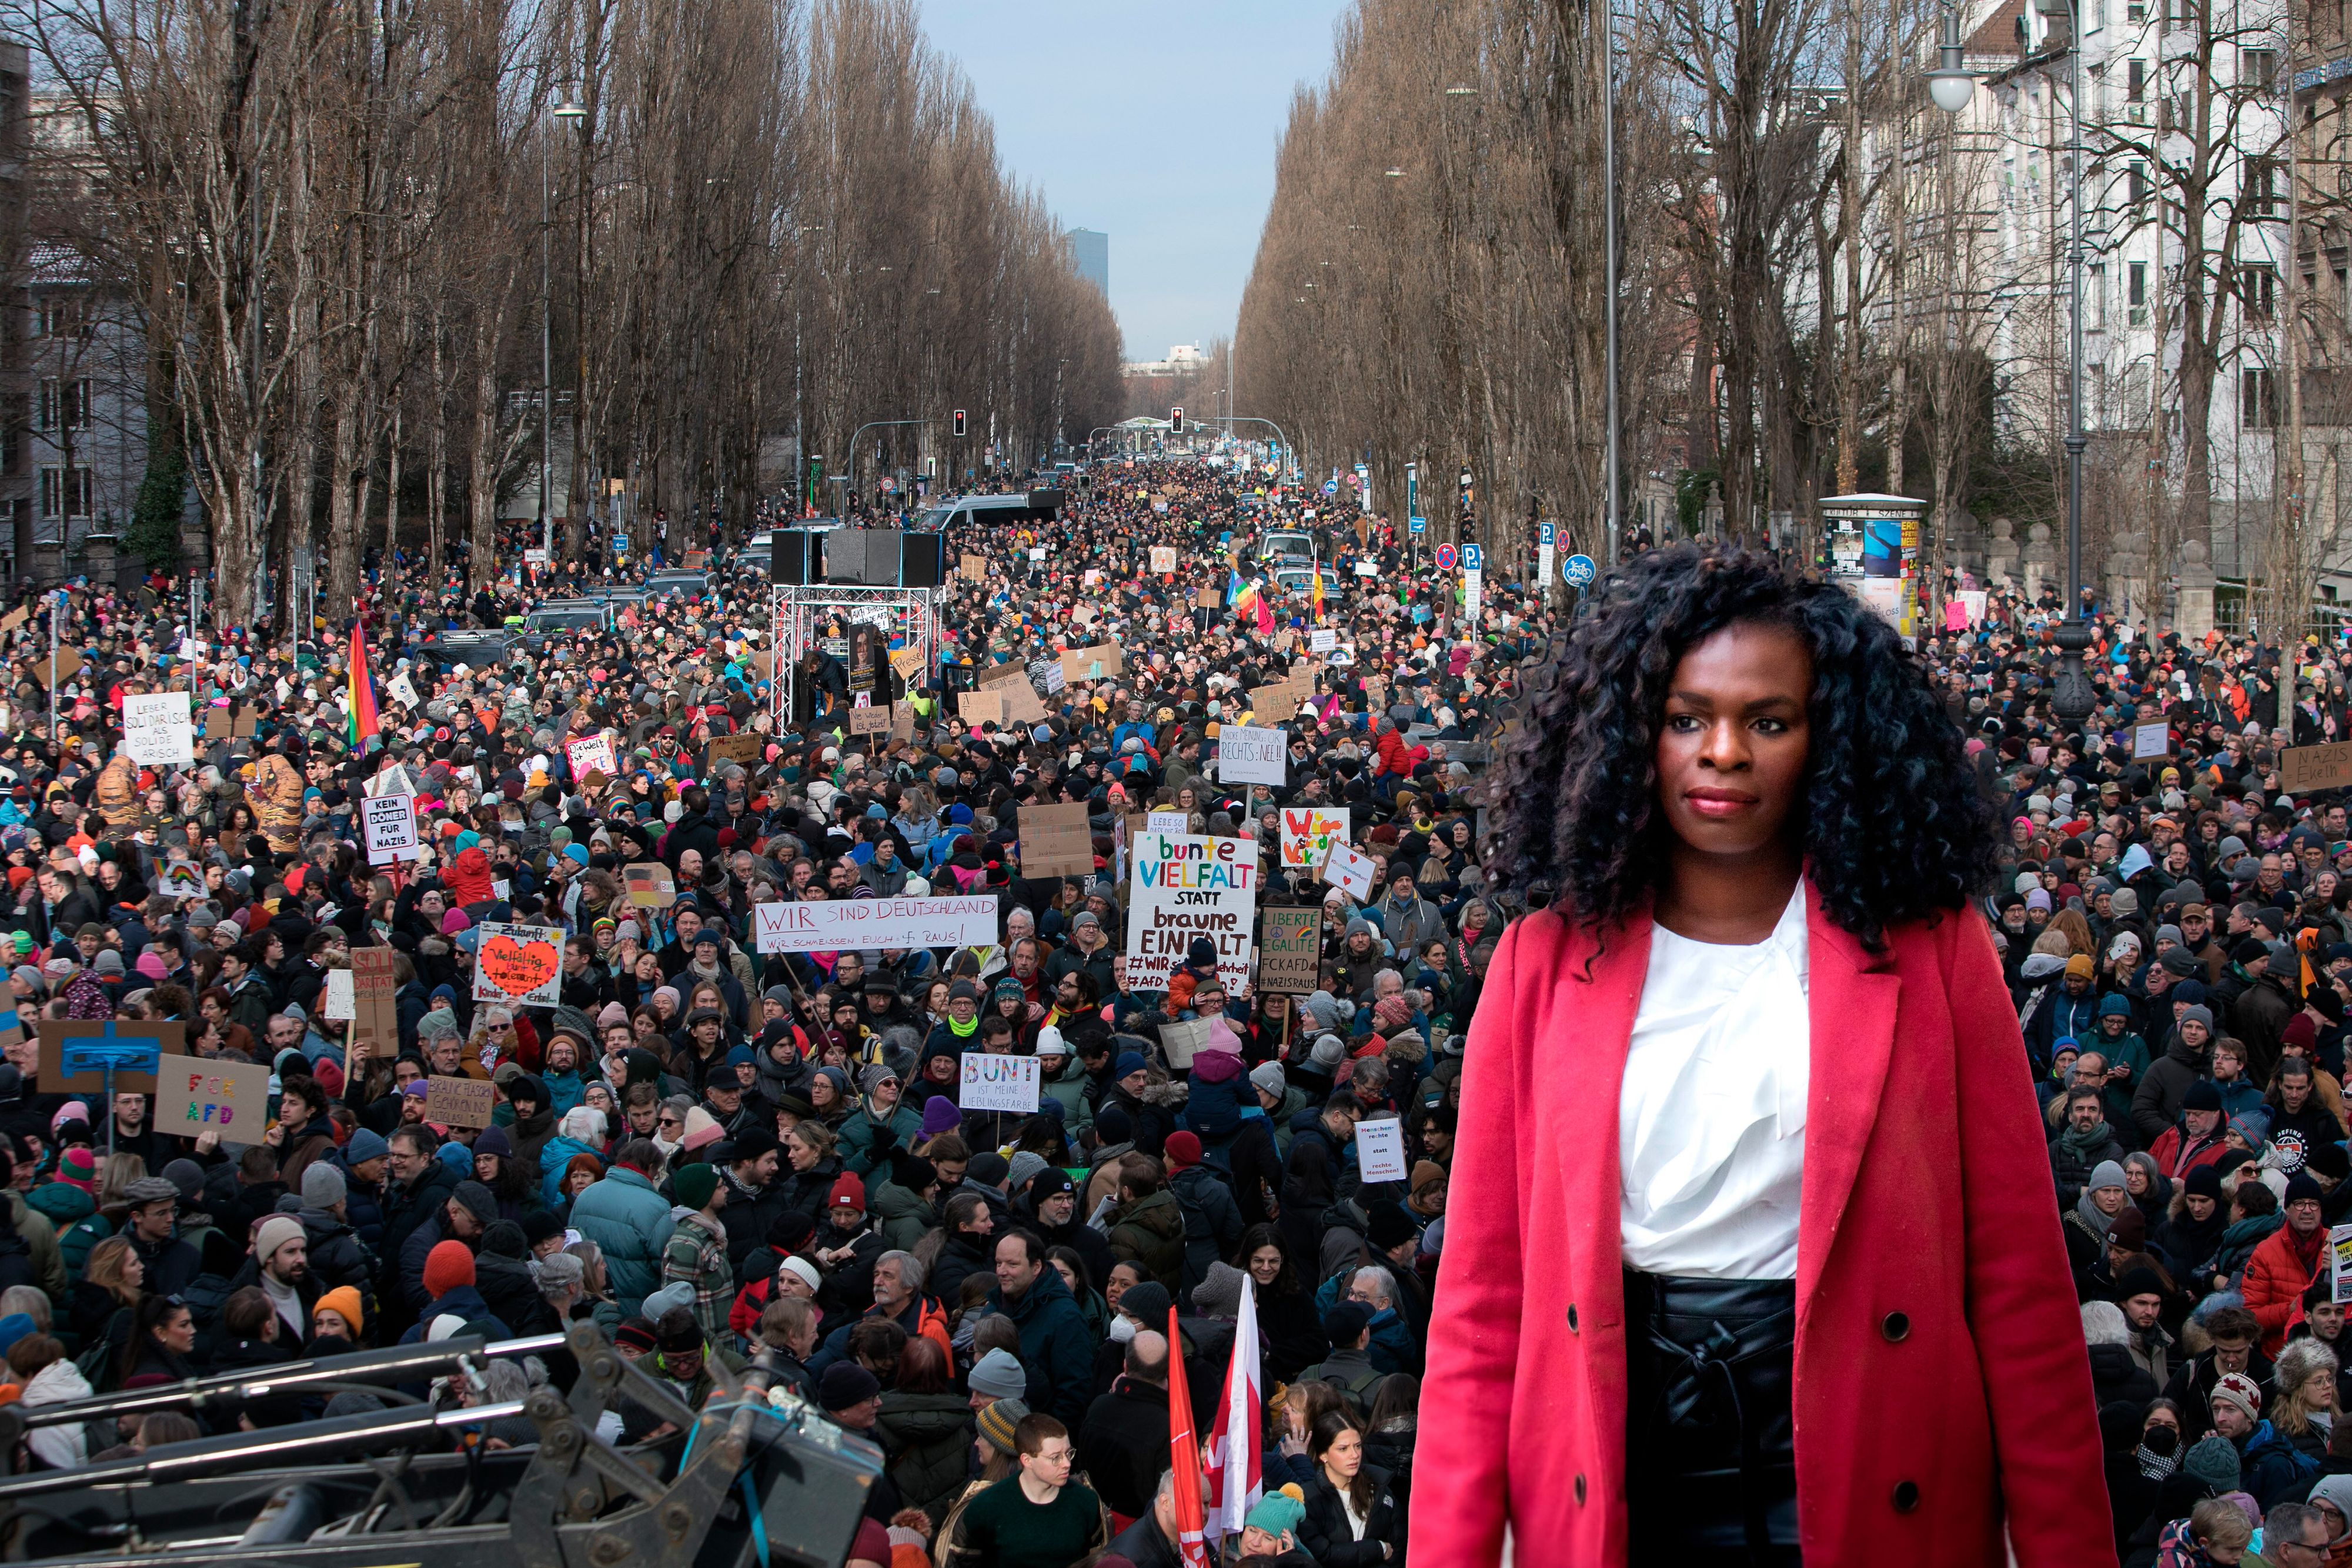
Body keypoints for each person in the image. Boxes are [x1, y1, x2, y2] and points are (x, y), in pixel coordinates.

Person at [1415, 548, 2110, 1565]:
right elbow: (1480, 1313)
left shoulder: (1933, 950)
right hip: (1612, 1477)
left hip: (1869, 1469)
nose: (1725, 751)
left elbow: (2019, 1287)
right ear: (1627, 737)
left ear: (1829, 738)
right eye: (1687, 717)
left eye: (1768, 720)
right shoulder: (1538, 964)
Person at [940, 1412, 1109, 1568]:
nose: (1067, 1464)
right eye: (1055, 1457)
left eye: (1068, 1453)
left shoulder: (1086, 1502)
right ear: (1027, 1460)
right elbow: (964, 1562)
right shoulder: (986, 1506)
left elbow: (1096, 1558)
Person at [1297, 1409, 1401, 1566]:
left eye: (1358, 1446)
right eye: (1343, 1449)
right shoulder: (1308, 1499)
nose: (1354, 1455)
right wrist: (1378, 1548)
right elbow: (1322, 1554)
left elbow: (1402, 1546)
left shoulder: (1380, 1488)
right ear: (1323, 1455)